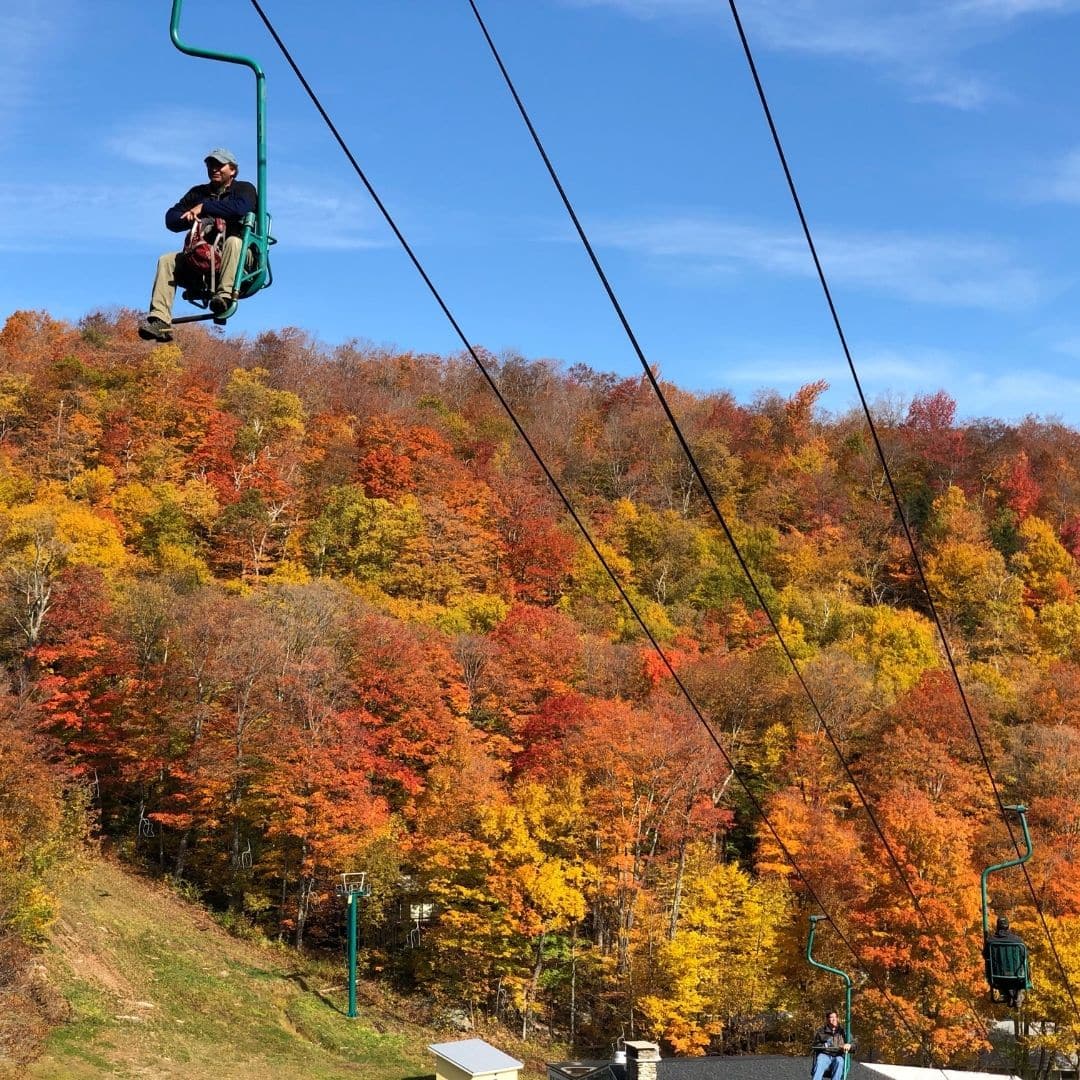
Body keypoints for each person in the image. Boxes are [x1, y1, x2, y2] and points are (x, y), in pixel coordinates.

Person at [138, 148, 257, 342]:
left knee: (233, 242)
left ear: (233, 170)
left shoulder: (244, 189)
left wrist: (204, 208)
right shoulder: (198, 193)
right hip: (204, 255)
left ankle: (224, 296)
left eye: (219, 165)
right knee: (167, 260)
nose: (214, 169)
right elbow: (171, 218)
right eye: (211, 165)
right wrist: (190, 217)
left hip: (239, 257)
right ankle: (160, 319)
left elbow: (240, 209)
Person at [986, 915, 1026, 1007]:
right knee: (1023, 965)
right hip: (1016, 975)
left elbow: (985, 955)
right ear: (1008, 926)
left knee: (1004, 979)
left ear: (997, 926)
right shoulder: (1017, 940)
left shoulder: (991, 941)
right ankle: (1016, 995)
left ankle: (1010, 996)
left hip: (997, 976)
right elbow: (1025, 955)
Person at [810, 1009, 851, 1080]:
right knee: (820, 1060)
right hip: (825, 1054)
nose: (834, 1019)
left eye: (835, 1017)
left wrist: (849, 1045)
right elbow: (815, 1045)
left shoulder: (843, 1032)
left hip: (838, 1055)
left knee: (840, 1061)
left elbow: (854, 1043)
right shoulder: (821, 1031)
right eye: (831, 1017)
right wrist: (824, 1046)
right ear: (827, 1019)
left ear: (838, 1018)